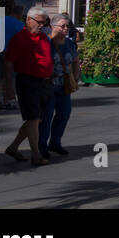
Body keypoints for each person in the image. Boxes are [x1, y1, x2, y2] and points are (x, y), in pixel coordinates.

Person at [3, 7, 61, 165]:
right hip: (28, 82)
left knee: (35, 120)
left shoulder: (43, 37)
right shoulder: (19, 38)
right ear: (29, 20)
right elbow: (9, 64)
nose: (43, 25)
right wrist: (8, 88)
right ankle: (36, 155)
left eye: (45, 22)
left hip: (45, 82)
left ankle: (14, 147)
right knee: (34, 118)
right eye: (40, 22)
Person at [39, 14, 79, 156]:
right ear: (53, 27)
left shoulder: (68, 43)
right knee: (47, 116)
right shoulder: (46, 42)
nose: (66, 28)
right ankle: (42, 145)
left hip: (64, 86)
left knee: (64, 114)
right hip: (49, 86)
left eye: (67, 26)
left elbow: (75, 60)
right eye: (63, 26)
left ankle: (56, 142)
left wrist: (76, 76)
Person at [0, 5, 26, 109]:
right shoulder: (20, 25)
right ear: (20, 14)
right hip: (11, 53)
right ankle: (7, 100)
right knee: (9, 77)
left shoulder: (1, 20)